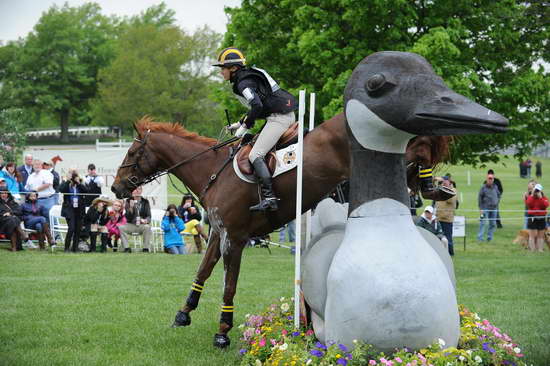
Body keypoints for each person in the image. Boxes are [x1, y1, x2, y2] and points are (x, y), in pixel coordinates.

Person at [214, 47, 298, 212]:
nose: (221, 72)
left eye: (222, 68)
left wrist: (244, 127)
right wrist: (240, 123)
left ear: (233, 68)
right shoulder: (246, 77)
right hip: (278, 116)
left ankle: (270, 198)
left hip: (279, 118)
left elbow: (257, 105)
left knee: (255, 155)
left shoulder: (243, 82)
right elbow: (258, 105)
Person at [59, 168, 88, 252]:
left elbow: (86, 191)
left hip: (79, 209)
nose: (73, 175)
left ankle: (75, 248)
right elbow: (61, 190)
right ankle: (66, 248)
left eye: (75, 173)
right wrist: (68, 180)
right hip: (69, 209)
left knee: (78, 229)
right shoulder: (66, 182)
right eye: (71, 173)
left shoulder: (80, 181)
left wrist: (78, 182)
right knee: (71, 228)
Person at [120, 186, 153, 253]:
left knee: (147, 227)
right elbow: (128, 217)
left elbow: (149, 216)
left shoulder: (145, 202)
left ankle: (145, 248)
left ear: (141, 191)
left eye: (139, 189)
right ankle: (127, 248)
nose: (137, 191)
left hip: (141, 225)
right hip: (131, 224)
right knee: (121, 227)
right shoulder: (128, 201)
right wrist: (131, 208)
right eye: (134, 189)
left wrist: (146, 220)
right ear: (132, 191)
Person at [434, 177, 458, 256]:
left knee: (448, 237)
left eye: (445, 182)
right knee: (438, 237)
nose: (443, 183)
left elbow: (450, 200)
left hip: (447, 219)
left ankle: (450, 253)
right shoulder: (441, 189)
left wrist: (447, 188)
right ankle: (441, 252)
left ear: (449, 182)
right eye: (442, 182)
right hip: (438, 218)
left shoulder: (453, 190)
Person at [525, 184, 548, 252]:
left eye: (538, 190)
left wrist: (540, 197)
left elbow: (546, 205)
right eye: (536, 190)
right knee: (532, 235)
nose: (536, 192)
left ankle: (540, 249)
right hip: (532, 217)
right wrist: (532, 195)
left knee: (541, 235)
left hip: (542, 217)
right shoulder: (530, 197)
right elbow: (529, 204)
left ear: (541, 191)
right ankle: (532, 250)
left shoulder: (544, 198)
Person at [477, 173, 501, 242]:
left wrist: (497, 202)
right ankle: (480, 238)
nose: (490, 180)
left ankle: (489, 238)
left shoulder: (495, 187)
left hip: (494, 209)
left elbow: (499, 195)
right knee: (482, 222)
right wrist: (481, 209)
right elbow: (479, 199)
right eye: (489, 178)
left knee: (493, 224)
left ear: (493, 179)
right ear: (486, 179)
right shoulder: (483, 188)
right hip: (484, 209)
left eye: (492, 178)